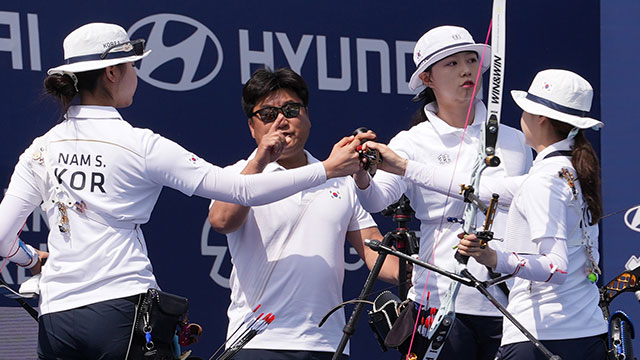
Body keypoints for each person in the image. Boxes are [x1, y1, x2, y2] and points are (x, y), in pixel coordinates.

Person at [0, 23, 368, 360]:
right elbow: (241, 188)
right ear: (113, 72)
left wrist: (30, 258)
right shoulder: (138, 144)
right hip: (120, 312)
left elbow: (2, 237)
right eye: (132, 67)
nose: (135, 77)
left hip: (56, 316)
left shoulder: (40, 148)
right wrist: (327, 169)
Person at [351, 25, 533, 360]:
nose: (466, 70)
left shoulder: (516, 139)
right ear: (427, 78)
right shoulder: (412, 141)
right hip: (438, 298)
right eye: (451, 63)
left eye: (471, 60)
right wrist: (362, 174)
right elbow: (376, 198)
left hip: (509, 298)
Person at [208, 67, 398, 360]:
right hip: (258, 342)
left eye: (290, 109)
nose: (281, 121)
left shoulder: (340, 181)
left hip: (327, 344)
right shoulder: (237, 175)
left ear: (307, 116)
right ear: (252, 127)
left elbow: (383, 262)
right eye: (268, 115)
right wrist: (260, 159)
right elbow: (221, 221)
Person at [455, 69, 608, 360]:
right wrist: (403, 167)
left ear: (539, 117)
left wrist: (492, 257)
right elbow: (474, 188)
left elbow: (555, 267)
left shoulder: (545, 180)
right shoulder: (570, 171)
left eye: (525, 110)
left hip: (542, 339)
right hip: (585, 337)